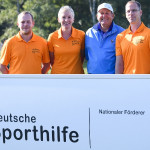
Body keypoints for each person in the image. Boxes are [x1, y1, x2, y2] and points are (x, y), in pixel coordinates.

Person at [85, 3, 124, 74]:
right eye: (102, 13)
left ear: (113, 15)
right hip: (92, 78)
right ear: (97, 16)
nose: (104, 15)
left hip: (112, 79)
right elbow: (87, 56)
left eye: (107, 13)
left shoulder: (122, 33)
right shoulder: (89, 33)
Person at [47, 6, 85, 74]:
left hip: (77, 76)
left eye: (69, 17)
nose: (66, 20)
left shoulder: (81, 35)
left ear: (73, 19)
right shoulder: (52, 37)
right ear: (58, 19)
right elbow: (51, 60)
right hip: (57, 77)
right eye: (63, 17)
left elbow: (82, 57)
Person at [115, 1, 150, 74]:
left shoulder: (148, 33)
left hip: (145, 82)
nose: (131, 13)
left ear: (140, 12)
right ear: (126, 14)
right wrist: (117, 82)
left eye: (134, 10)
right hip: (127, 82)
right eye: (128, 11)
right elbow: (119, 64)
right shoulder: (120, 37)